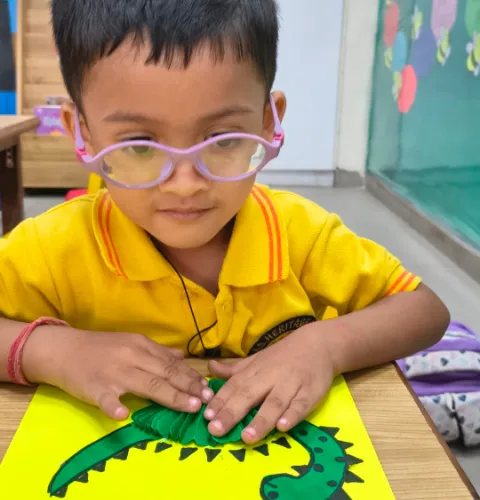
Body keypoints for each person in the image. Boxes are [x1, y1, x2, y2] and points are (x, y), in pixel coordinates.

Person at [0, 0, 449, 445]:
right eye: (138, 145)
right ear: (80, 130)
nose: (185, 185)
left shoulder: (300, 233)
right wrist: (54, 351)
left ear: (269, 121)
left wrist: (324, 346)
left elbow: (424, 309)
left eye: (222, 139)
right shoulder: (54, 247)